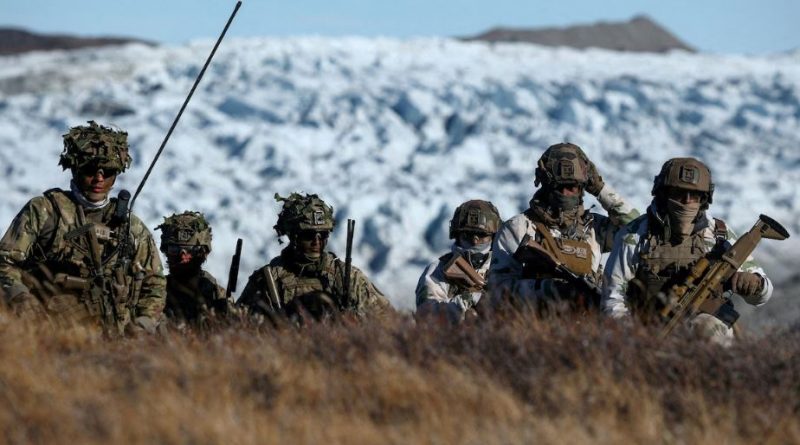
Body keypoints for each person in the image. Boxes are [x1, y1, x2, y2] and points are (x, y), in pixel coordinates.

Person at [0, 121, 165, 335]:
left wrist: (144, 322)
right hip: (45, 332)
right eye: (90, 169)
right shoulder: (45, 210)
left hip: (115, 338)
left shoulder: (130, 227)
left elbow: (155, 283)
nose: (98, 178)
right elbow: (5, 261)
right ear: (75, 167)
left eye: (108, 172)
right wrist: (22, 299)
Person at [602, 157, 773, 344]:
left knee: (712, 330)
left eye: (695, 196)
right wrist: (633, 339)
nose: (687, 201)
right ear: (663, 194)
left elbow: (762, 295)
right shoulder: (635, 234)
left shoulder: (718, 234)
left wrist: (754, 284)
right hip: (648, 330)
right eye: (679, 194)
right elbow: (613, 299)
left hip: (705, 329)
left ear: (704, 199)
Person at [489, 142, 638, 311]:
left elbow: (636, 228)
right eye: (560, 187)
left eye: (573, 187)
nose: (567, 193)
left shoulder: (595, 228)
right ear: (546, 185)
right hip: (535, 327)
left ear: (583, 187)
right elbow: (497, 292)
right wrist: (548, 289)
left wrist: (599, 188)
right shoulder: (519, 227)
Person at [237, 193, 392, 320]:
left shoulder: (348, 277)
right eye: (308, 235)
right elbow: (240, 329)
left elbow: (389, 320)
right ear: (293, 236)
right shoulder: (269, 279)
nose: (317, 241)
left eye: (323, 234)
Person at [416, 200, 501, 323]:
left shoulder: (504, 266)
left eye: (482, 235)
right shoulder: (437, 270)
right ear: (457, 235)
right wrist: (466, 301)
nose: (475, 241)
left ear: (493, 237)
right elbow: (426, 315)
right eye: (468, 235)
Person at [156, 211, 233, 328]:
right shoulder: (154, 293)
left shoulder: (217, 295)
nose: (182, 257)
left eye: (190, 250)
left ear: (203, 253)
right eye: (174, 249)